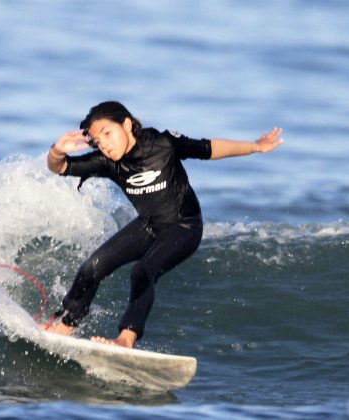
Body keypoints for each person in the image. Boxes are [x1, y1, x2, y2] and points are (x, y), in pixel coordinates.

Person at [43, 101, 283, 348]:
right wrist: (57, 151)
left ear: (126, 124)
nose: (104, 144)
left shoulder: (162, 143)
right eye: (98, 140)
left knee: (143, 271)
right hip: (149, 225)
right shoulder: (108, 162)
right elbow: (60, 167)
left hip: (185, 226)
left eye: (107, 133)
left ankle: (126, 338)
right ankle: (66, 326)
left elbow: (209, 148)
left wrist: (255, 146)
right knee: (92, 267)